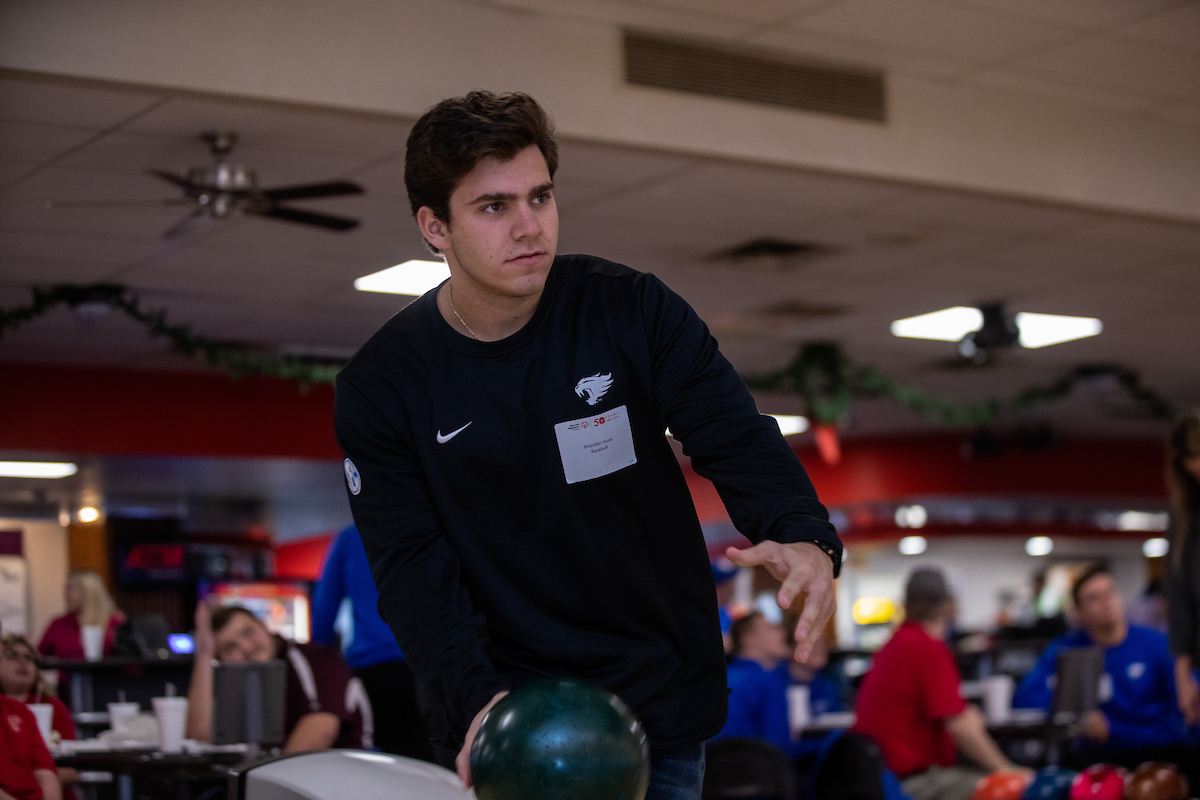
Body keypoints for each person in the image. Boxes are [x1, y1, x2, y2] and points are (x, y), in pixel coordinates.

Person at [335, 90, 842, 798]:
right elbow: (414, 574)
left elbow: (731, 431)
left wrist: (801, 531)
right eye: (493, 206)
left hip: (658, 700)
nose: (528, 226)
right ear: (434, 227)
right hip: (515, 718)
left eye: (539, 198)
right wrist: (476, 702)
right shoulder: (385, 385)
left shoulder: (630, 309)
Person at [1013, 564, 1196, 784]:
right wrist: (1076, 712)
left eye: (1110, 592)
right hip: (1099, 755)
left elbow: (1186, 702)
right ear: (1079, 612)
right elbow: (1025, 698)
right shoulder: (1067, 650)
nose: (1106, 601)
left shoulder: (1156, 644)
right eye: (1093, 598)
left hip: (1157, 749)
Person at [853, 568, 1021, 800]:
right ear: (948, 605)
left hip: (881, 778)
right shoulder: (928, 647)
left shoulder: (894, 643)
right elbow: (959, 727)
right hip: (911, 782)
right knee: (1012, 790)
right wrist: (1009, 771)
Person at [311, 524, 432, 761]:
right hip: (429, 665)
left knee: (382, 761)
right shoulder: (424, 525)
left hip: (375, 670)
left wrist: (321, 668)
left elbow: (324, 612)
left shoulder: (349, 537)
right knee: (432, 759)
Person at [186, 603, 372, 753]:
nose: (246, 648)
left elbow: (322, 731)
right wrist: (204, 654)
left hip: (344, 776)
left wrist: (263, 788)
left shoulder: (312, 658)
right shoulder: (237, 681)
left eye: (248, 632)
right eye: (230, 647)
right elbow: (200, 735)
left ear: (264, 625)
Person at [711, 612, 799, 756]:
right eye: (773, 628)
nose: (783, 633)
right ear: (749, 639)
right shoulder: (768, 681)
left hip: (713, 771)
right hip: (755, 771)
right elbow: (779, 748)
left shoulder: (720, 678)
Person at [0, 636, 77, 798]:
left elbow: (48, 772)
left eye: (29, 657)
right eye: (13, 656)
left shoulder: (35, 710)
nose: (23, 662)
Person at [1166, 411, 1200, 728]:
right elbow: (1179, 598)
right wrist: (1183, 673)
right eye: (1189, 458)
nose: (1195, 467)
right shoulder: (1184, 517)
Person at [37, 571, 123, 660]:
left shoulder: (114, 623)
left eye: (71, 588)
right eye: (66, 588)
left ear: (89, 591)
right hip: (68, 674)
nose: (66, 593)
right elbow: (40, 656)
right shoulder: (59, 624)